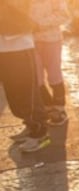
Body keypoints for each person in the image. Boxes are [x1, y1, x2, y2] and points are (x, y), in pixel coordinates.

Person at [1, 0, 51, 153]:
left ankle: (40, 133)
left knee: (26, 91)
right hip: (3, 47)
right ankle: (30, 126)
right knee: (13, 92)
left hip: (19, 45)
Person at [31, 0, 70, 126]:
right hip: (29, 41)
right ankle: (47, 106)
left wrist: (39, 24)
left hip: (51, 39)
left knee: (54, 74)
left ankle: (59, 108)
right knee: (36, 77)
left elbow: (64, 14)